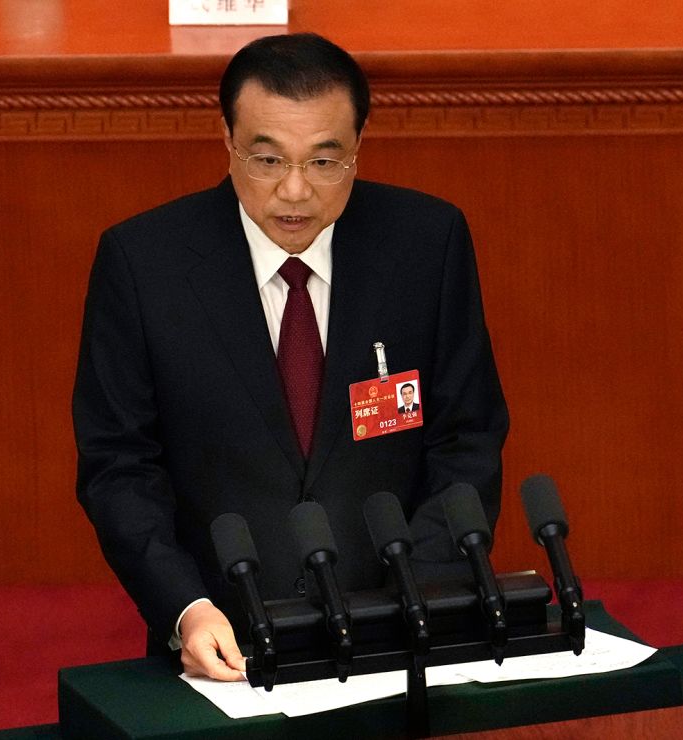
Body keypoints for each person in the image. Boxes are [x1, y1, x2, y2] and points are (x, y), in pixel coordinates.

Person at [73, 33, 508, 682]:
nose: (296, 192)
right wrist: (184, 608)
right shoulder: (144, 264)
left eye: (325, 162)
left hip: (400, 639)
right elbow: (118, 465)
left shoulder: (426, 243)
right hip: (223, 648)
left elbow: (466, 436)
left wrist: (416, 590)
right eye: (267, 160)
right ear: (226, 138)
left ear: (359, 144)